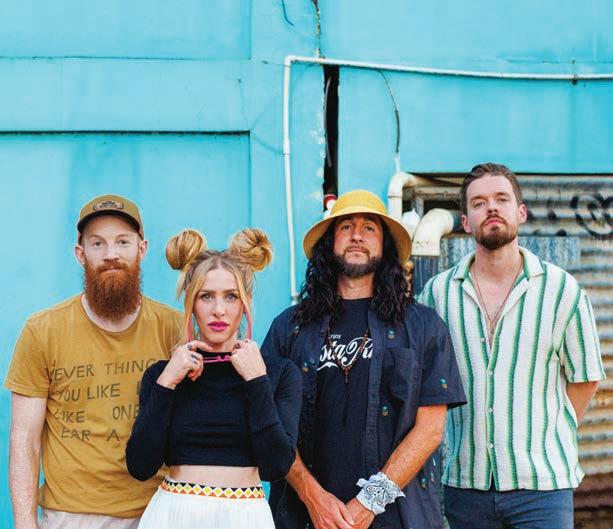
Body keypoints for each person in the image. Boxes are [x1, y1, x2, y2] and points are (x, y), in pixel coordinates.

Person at [262, 190, 466, 529]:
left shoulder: (423, 326)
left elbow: (431, 429)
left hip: (399, 518)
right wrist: (313, 498)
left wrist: (370, 502)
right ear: (330, 243)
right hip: (305, 517)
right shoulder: (289, 327)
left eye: (369, 227)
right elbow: (269, 424)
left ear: (385, 245)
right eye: (346, 227)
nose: (357, 235)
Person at [419, 163, 606, 529]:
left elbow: (585, 378)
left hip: (543, 488)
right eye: (479, 203)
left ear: (521, 212)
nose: (491, 207)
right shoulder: (438, 294)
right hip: (465, 486)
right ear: (465, 222)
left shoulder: (561, 290)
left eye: (501, 199)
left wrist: (542, 430)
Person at [5, 194, 182, 529]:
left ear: (142, 249)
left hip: (158, 511)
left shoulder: (174, 329)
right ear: (80, 253)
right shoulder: (43, 330)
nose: (111, 254)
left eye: (122, 242)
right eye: (97, 243)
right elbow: (24, 439)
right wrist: (25, 524)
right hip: (72, 516)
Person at [125, 228, 302, 529]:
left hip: (245, 518)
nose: (219, 310)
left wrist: (257, 381)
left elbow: (276, 466)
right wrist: (167, 383)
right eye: (206, 296)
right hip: (174, 516)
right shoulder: (164, 375)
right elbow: (140, 466)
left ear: (245, 302)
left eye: (231, 296)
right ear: (191, 303)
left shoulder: (278, 373)